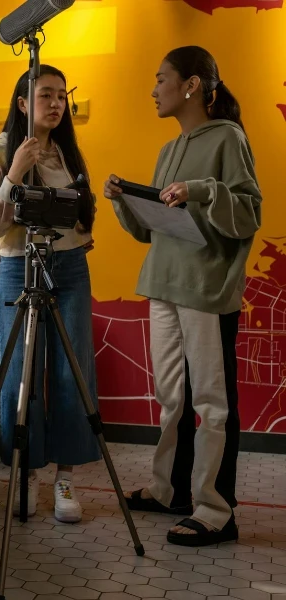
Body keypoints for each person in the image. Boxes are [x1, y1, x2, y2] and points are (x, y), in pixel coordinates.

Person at [105, 46, 260, 547]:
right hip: (163, 281)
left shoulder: (228, 138)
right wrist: (124, 202)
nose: (153, 90)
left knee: (212, 402)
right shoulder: (168, 150)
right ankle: (168, 489)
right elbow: (152, 230)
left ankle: (216, 511)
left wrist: (200, 189)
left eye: (160, 79)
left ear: (191, 85)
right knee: (172, 396)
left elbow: (248, 211)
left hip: (205, 286)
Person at [0, 65, 100, 523]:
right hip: (16, 265)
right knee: (21, 377)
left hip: (69, 267)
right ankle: (25, 475)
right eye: (45, 95)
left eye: (62, 96)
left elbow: (80, 214)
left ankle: (64, 479)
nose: (56, 103)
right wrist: (15, 172)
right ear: (23, 103)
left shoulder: (69, 154)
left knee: (72, 373)